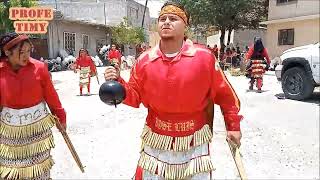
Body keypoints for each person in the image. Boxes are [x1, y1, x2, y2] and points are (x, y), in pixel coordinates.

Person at [104, 2, 243, 179]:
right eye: (162, 19)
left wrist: (233, 126)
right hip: (157, 138)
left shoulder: (204, 57)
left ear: (185, 26)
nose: (166, 22)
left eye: (173, 19)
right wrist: (118, 84)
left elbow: (226, 97)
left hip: (194, 139)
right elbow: (134, 96)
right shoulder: (144, 60)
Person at [0, 32, 67, 179]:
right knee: (10, 173)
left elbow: (52, 97)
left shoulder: (40, 68)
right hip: (9, 134)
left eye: (28, 51)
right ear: (7, 52)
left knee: (38, 173)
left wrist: (61, 117)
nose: (26, 55)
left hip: (37, 132)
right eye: (21, 52)